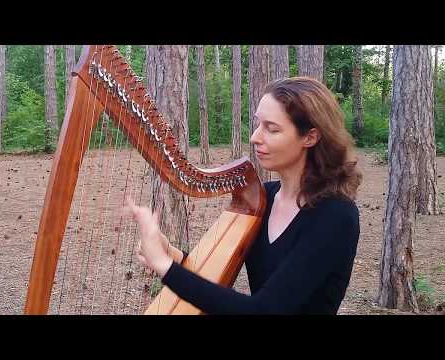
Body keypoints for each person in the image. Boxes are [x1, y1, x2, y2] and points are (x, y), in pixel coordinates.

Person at [123, 76, 362, 314]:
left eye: (272, 128)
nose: (255, 137)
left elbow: (263, 309)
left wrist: (164, 267)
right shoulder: (263, 199)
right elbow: (213, 277)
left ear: (310, 137)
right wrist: (172, 255)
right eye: (258, 124)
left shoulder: (336, 215)